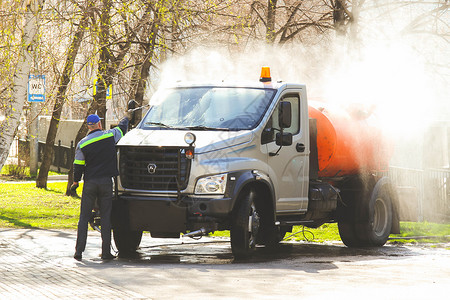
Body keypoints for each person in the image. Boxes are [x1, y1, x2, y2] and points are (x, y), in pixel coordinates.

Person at [71, 113, 129, 261]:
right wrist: (127, 117)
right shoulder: (109, 136)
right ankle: (106, 253)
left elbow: (78, 166)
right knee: (105, 217)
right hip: (105, 183)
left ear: (88, 126)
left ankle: (78, 252)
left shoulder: (82, 144)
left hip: (90, 183)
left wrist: (75, 182)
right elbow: (122, 129)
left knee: (84, 217)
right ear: (99, 124)